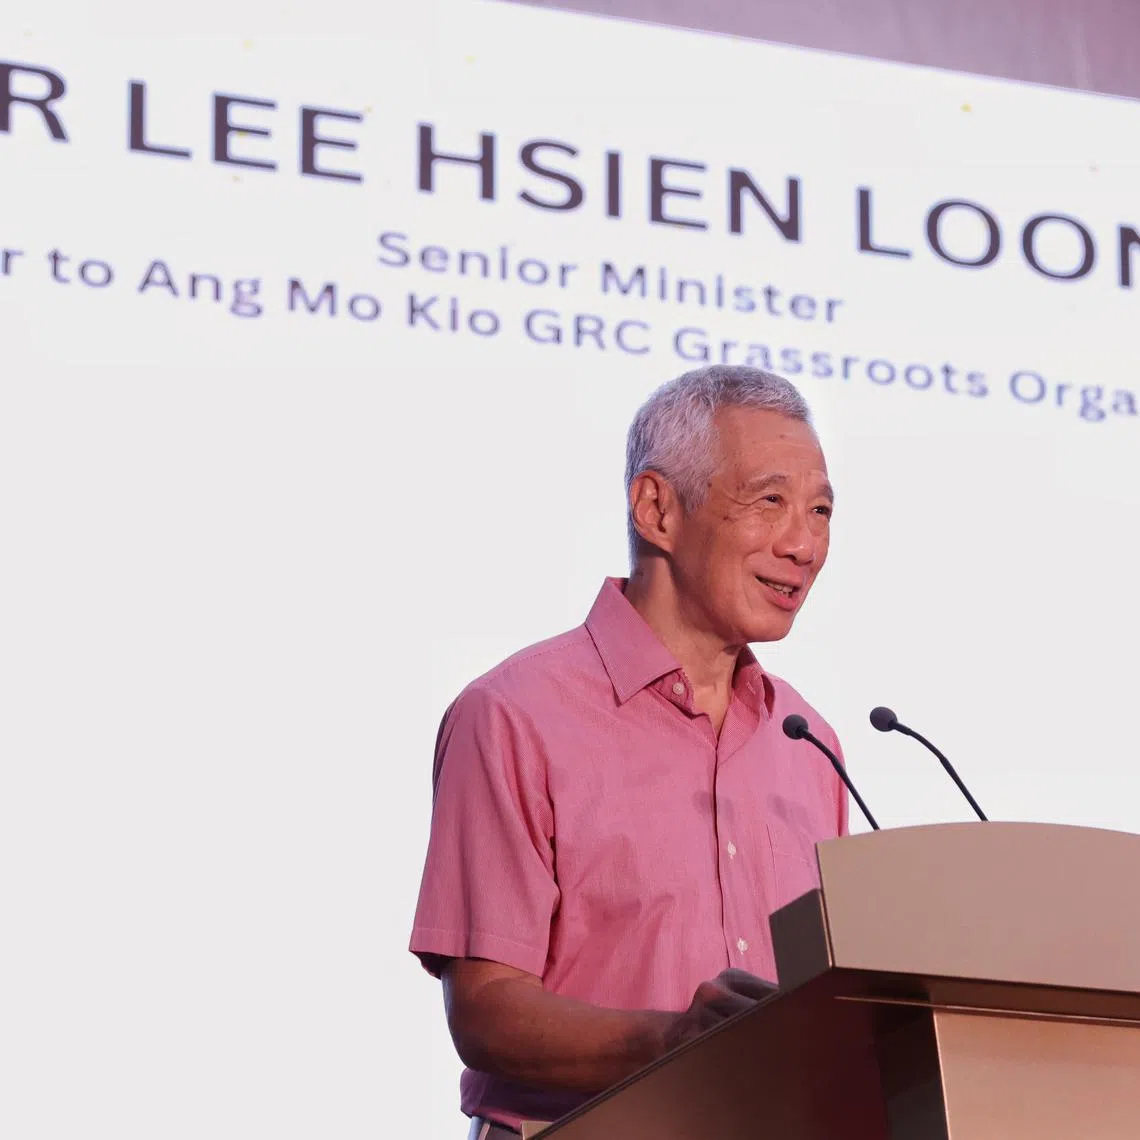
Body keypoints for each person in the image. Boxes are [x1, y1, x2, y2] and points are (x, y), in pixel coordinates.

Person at [410, 365, 849, 1139]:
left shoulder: (808, 742)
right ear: (657, 509)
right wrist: (672, 1043)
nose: (805, 544)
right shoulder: (515, 714)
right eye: (771, 501)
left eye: (821, 511)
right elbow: (484, 1012)